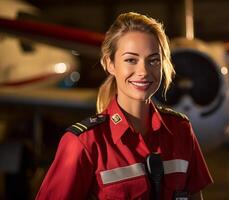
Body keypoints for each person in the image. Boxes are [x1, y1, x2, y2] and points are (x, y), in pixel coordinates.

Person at [36, 12, 213, 200]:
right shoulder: (84, 143)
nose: (143, 71)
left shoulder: (181, 131)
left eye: (153, 60)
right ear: (109, 64)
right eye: (131, 60)